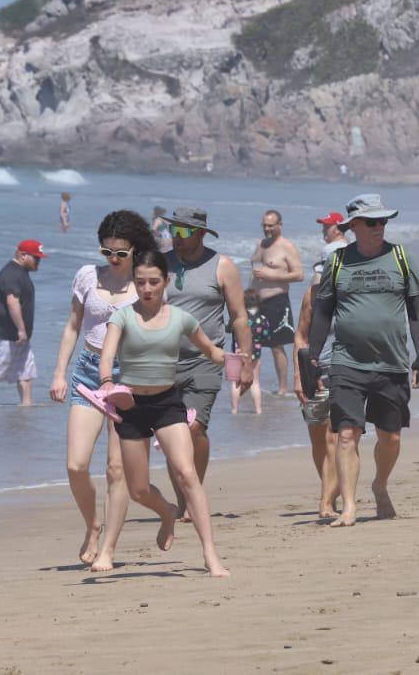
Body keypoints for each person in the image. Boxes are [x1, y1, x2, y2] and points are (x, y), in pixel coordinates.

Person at [95, 249, 229, 577]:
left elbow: (208, 348)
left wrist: (227, 358)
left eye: (154, 282)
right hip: (130, 407)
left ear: (166, 281)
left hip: (167, 404)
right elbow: (107, 355)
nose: (147, 289)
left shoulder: (181, 318)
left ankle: (210, 554)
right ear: (133, 283)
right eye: (140, 283)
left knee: (186, 474)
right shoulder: (122, 317)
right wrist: (108, 382)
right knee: (138, 489)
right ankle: (167, 512)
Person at [308, 194, 419, 527]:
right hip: (347, 362)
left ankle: (379, 485)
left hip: (391, 363)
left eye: (383, 221)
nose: (380, 227)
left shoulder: (402, 259)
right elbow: (322, 312)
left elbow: (416, 313)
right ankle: (349, 506)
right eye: (373, 222)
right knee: (347, 433)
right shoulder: (338, 263)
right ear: (354, 226)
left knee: (390, 436)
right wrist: (312, 356)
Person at [49, 211, 155, 566]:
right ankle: (92, 524)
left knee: (116, 469)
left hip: (129, 377)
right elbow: (72, 327)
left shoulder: (146, 283)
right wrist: (59, 373)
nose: (112, 258)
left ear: (134, 251)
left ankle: (108, 548)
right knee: (76, 465)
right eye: (106, 250)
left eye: (120, 253)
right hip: (88, 372)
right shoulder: (86, 277)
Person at [162, 207, 253, 519]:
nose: (176, 237)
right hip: (163, 362)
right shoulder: (162, 264)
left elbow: (239, 317)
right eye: (173, 231)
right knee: (172, 433)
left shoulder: (222, 266)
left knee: (194, 427)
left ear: (201, 233)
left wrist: (246, 361)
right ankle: (185, 496)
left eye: (184, 232)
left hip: (206, 359)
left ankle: (193, 490)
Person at [293, 269, 343, 519]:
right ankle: (331, 484)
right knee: (318, 440)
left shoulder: (353, 296)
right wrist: (298, 376)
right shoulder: (311, 296)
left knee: (335, 437)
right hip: (314, 373)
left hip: (344, 371)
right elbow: (300, 337)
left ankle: (327, 499)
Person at [0, 239, 44, 407]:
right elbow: (12, 302)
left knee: (26, 372)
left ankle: (26, 406)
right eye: (36, 258)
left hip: (18, 336)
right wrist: (21, 329)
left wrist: (23, 332)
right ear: (23, 255)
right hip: (3, 333)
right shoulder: (12, 273)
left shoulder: (21, 273)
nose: (39, 262)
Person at [250, 209, 304, 397]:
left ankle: (282, 388)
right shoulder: (261, 244)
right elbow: (254, 271)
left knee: (276, 344)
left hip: (277, 300)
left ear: (279, 225)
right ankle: (250, 382)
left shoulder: (286, 246)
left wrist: (272, 274)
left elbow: (299, 274)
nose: (267, 229)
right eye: (264, 225)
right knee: (248, 342)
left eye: (271, 225)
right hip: (254, 301)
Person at [229, 289, 270, 414]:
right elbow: (266, 336)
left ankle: (235, 409)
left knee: (235, 381)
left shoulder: (239, 317)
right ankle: (258, 409)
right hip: (255, 352)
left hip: (238, 350)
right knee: (255, 382)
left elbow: (228, 328)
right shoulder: (262, 318)